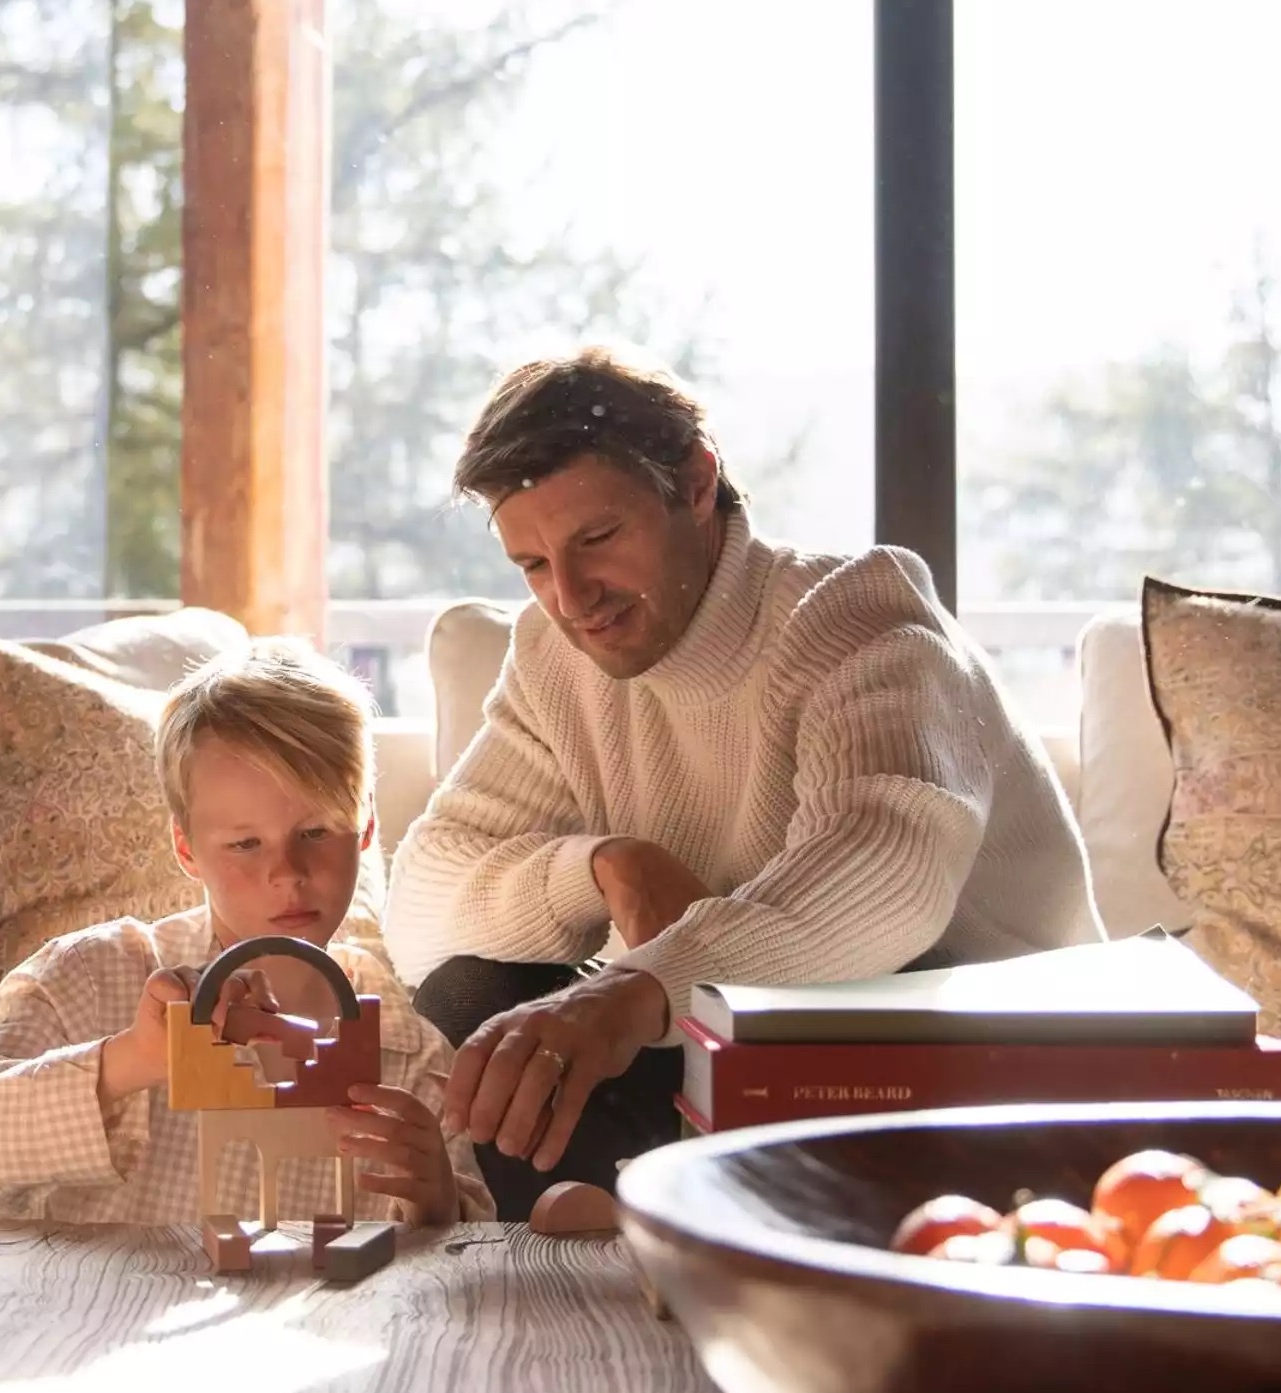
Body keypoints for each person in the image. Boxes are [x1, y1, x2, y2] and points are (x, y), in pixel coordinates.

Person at [386, 349, 1100, 1214]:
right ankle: (606, 1254)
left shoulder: (858, 614)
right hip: (746, 1063)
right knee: (475, 989)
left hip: (970, 1072)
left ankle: (640, 1237)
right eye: (532, 565)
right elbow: (421, 903)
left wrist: (634, 989)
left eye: (597, 539)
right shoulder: (553, 658)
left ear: (694, 481)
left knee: (620, 1021)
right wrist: (606, 865)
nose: (571, 598)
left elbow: (888, 880)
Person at [0, 640, 490, 1225]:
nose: (285, 874)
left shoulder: (410, 1053)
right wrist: (128, 1062)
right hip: (108, 1317)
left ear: (364, 828)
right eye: (244, 844)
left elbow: (467, 1261)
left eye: (314, 833)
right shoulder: (92, 979)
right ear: (186, 848)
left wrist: (437, 1205)